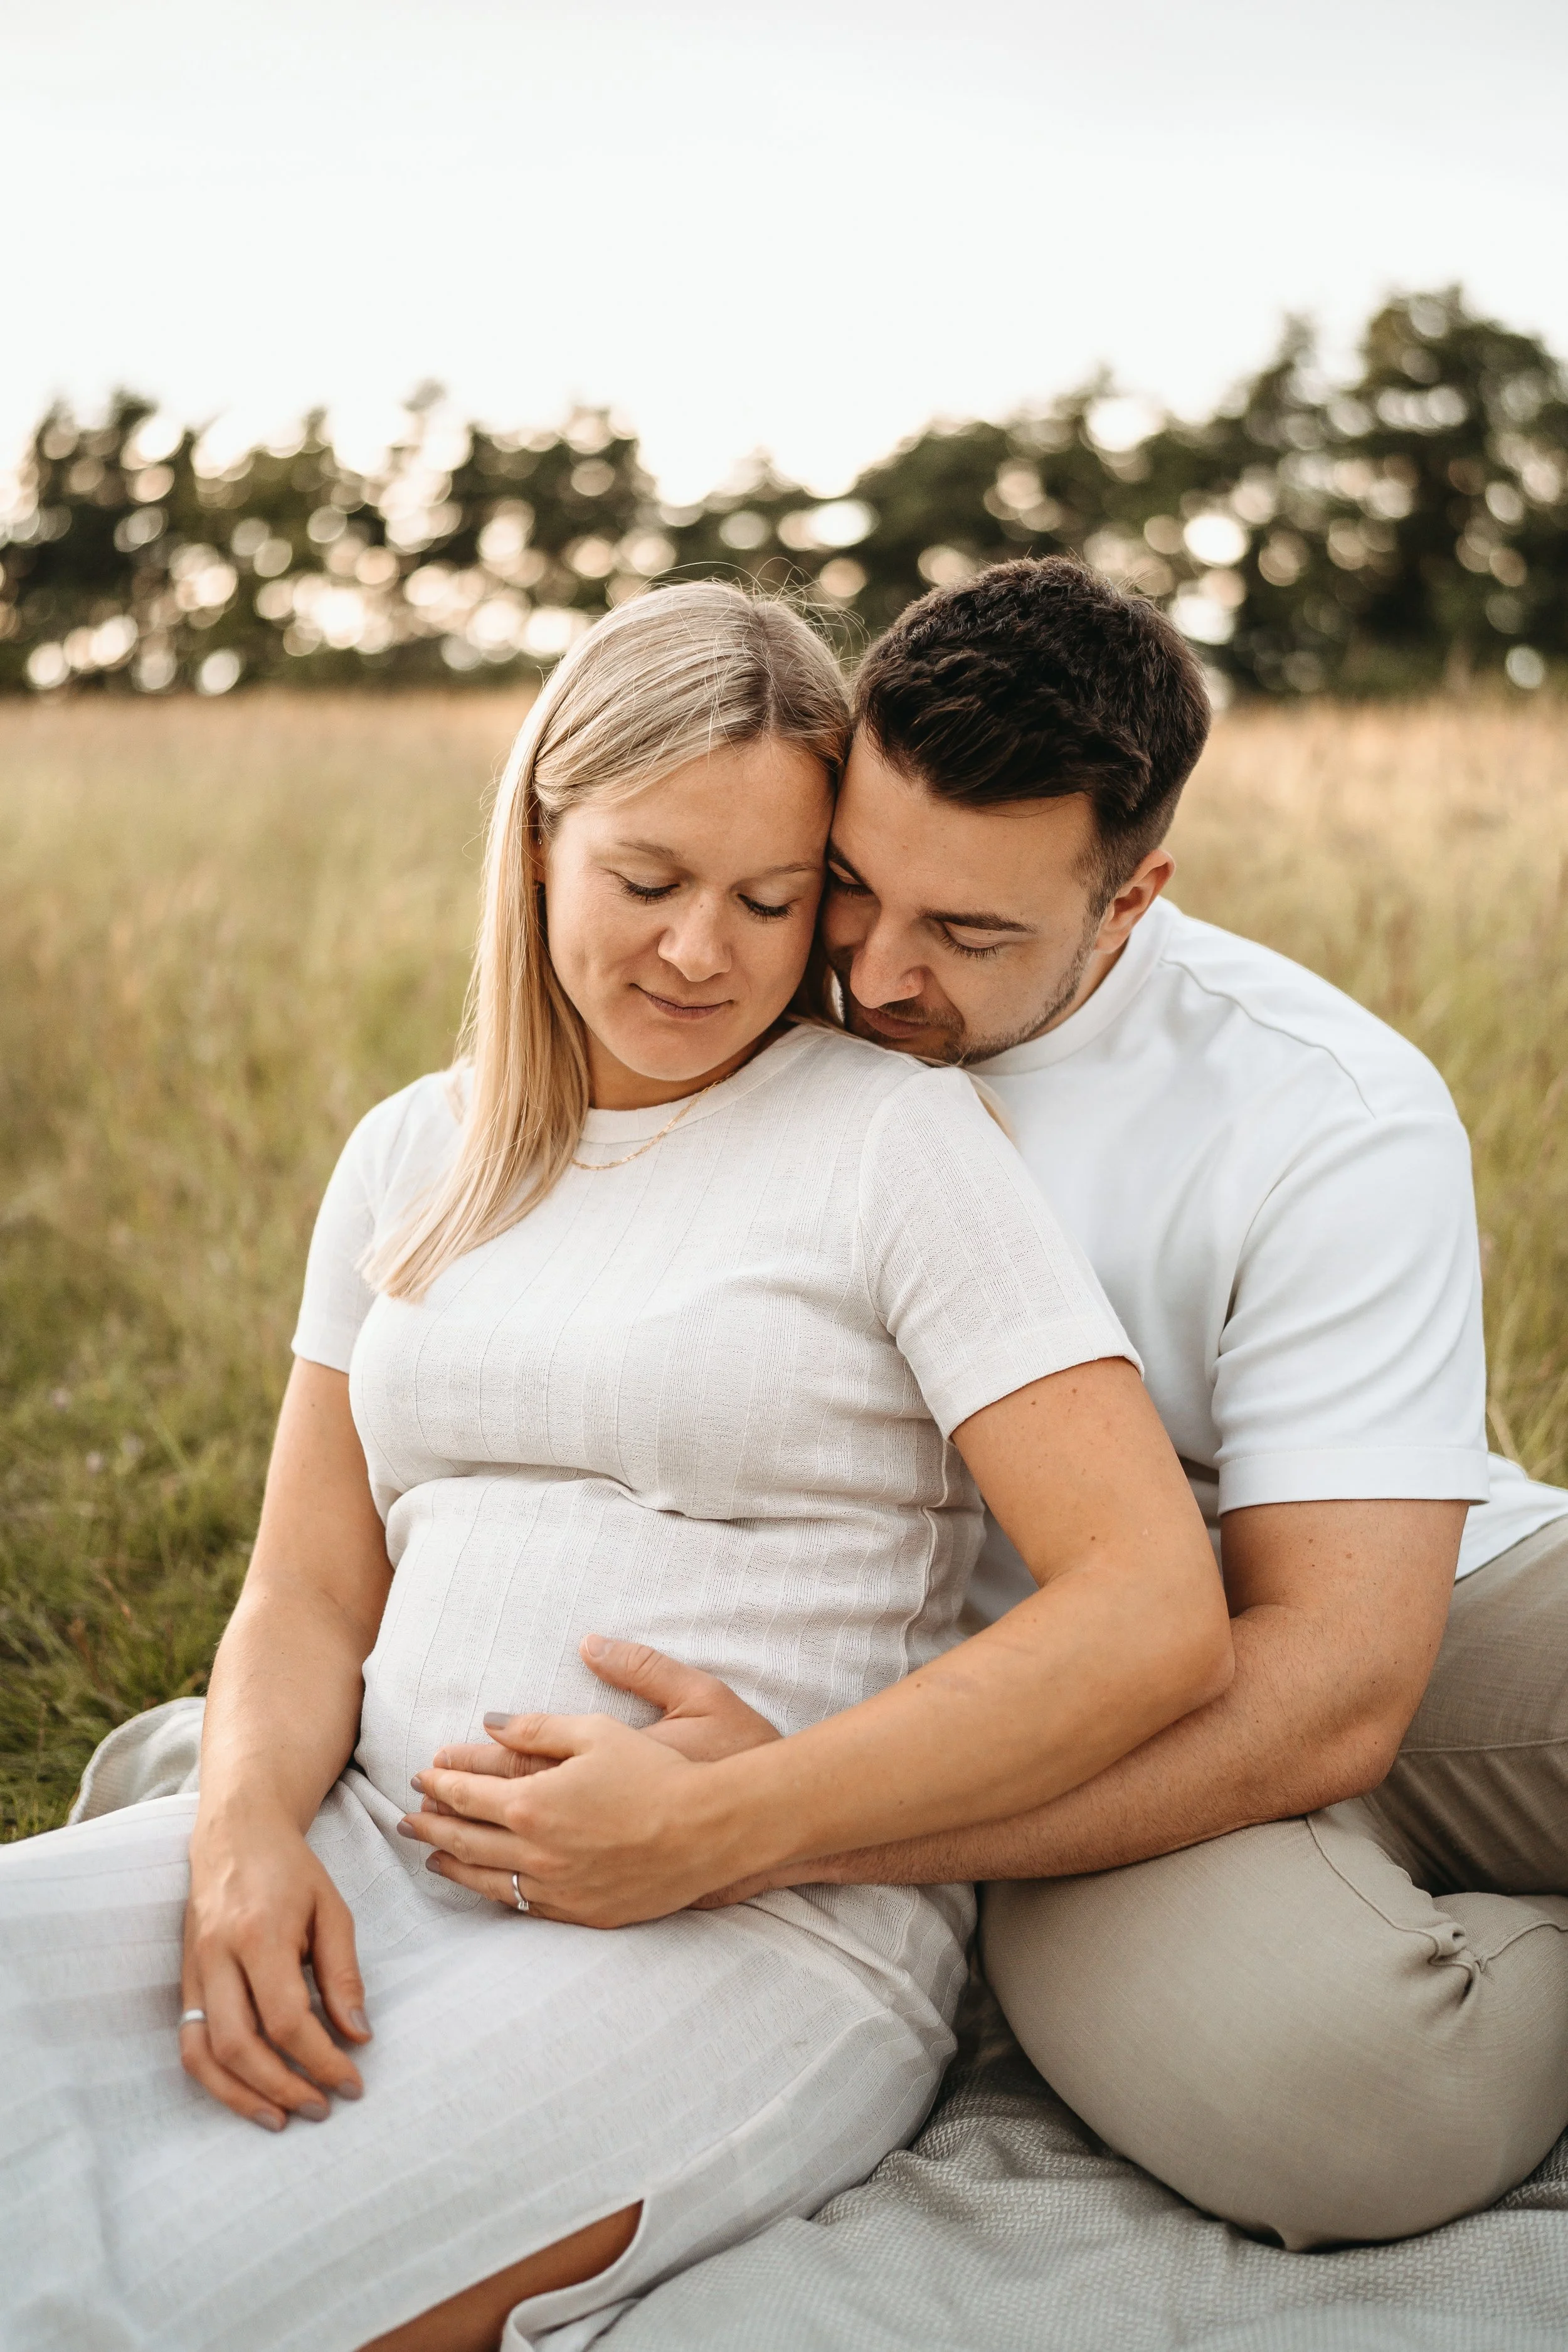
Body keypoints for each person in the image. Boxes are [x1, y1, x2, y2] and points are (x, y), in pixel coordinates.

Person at [0, 582, 1231, 2352]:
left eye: (770, 898)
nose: (699, 954)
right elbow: (307, 1583)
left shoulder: (896, 1141)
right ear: (538, 841)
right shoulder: (410, 1153)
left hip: (742, 1928)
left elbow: (1147, 1605)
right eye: (646, 881)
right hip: (365, 1831)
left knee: (192, 2285)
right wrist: (243, 1832)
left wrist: (735, 1816)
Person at [504, 557, 1568, 2251]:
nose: (874, 969)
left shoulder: (1321, 1105)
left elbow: (1338, 1676)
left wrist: (775, 1821)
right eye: (850, 885)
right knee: (1359, 2107)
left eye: (971, 930)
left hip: (1384, 1603)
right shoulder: (728, 990)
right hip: (1021, 1702)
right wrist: (873, 1798)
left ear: (1129, 900)